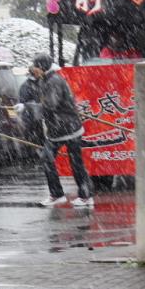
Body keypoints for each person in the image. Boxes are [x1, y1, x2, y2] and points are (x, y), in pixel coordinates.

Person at [31, 53, 94, 208]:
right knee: (53, 159)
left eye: (36, 67)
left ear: (43, 67)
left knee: (74, 163)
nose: (34, 70)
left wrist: (28, 107)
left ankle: (84, 197)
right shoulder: (46, 79)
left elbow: (51, 105)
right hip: (58, 129)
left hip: (67, 128)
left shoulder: (54, 81)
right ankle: (58, 194)